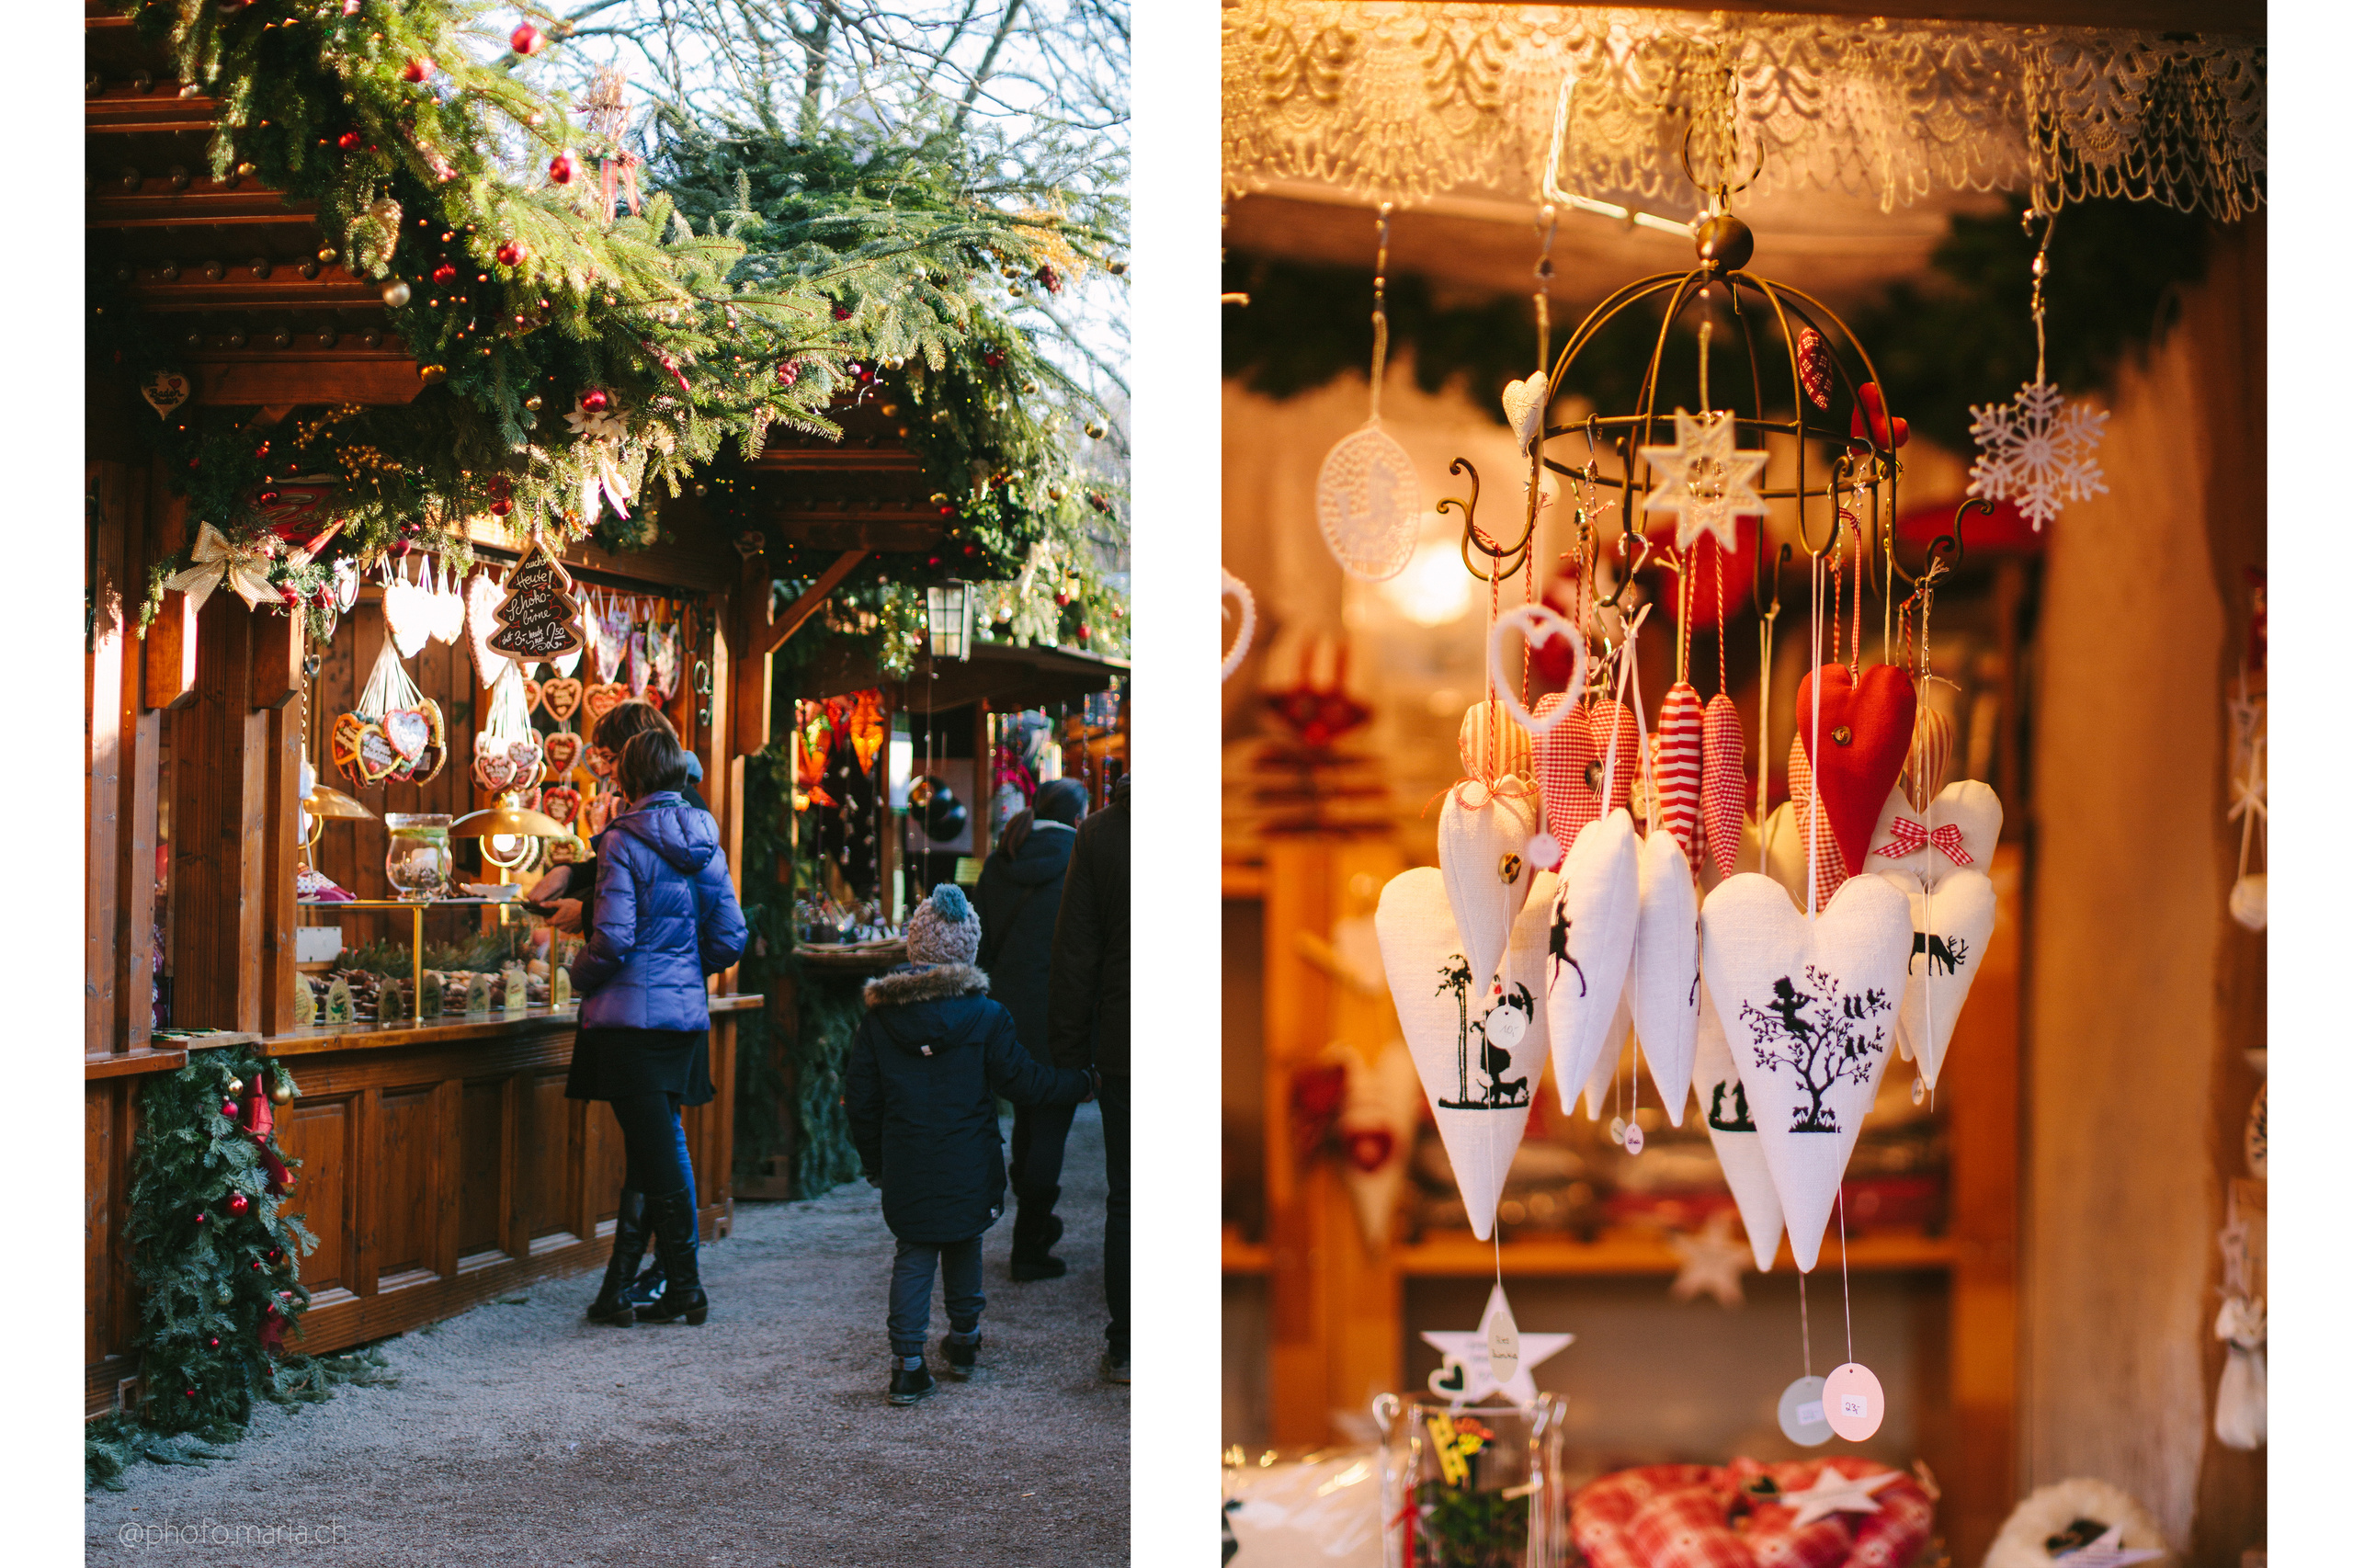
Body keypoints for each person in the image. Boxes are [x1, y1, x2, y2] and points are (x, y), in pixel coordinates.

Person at [846, 884, 1095, 1406]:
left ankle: (907, 1366)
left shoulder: (879, 1020)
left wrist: (876, 1162)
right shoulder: (986, 1016)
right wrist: (1081, 1083)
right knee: (965, 1241)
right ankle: (964, 1341)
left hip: (906, 1159)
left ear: (914, 945)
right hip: (969, 1159)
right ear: (968, 949)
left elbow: (862, 1100)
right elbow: (1023, 1082)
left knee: (914, 1252)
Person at [568, 727, 748, 1329]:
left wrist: (577, 974)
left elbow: (614, 938)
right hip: (683, 1021)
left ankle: (687, 1287)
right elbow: (730, 937)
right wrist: (684, 969)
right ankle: (616, 1291)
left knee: (658, 1150)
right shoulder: (706, 838)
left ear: (630, 778)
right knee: (653, 1148)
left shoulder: (623, 839)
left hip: (628, 1024)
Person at [972, 777, 1092, 1280]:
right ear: (1078, 818)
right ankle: (1030, 1240)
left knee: (1026, 1116)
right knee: (1048, 1126)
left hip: (1002, 1016)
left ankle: (1033, 1224)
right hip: (1061, 1018)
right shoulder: (1083, 863)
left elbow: (980, 946)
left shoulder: (999, 863)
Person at [1047, 770, 1130, 1383]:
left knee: (1128, 1196)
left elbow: (1076, 953)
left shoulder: (1100, 834)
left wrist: (1072, 1055)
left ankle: (1128, 1344)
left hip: (1126, 1038)